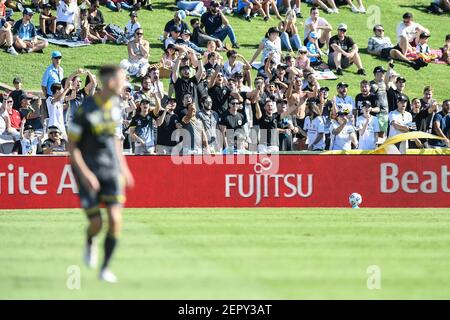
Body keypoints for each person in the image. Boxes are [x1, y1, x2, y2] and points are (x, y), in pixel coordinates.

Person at [68, 65, 135, 283]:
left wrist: (123, 167)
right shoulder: (85, 110)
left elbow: (116, 141)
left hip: (111, 170)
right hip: (88, 170)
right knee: (96, 223)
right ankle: (90, 241)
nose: (125, 84)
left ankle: (104, 268)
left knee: (115, 220)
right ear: (110, 82)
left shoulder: (116, 106)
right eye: (122, 79)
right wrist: (85, 173)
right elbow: (72, 147)